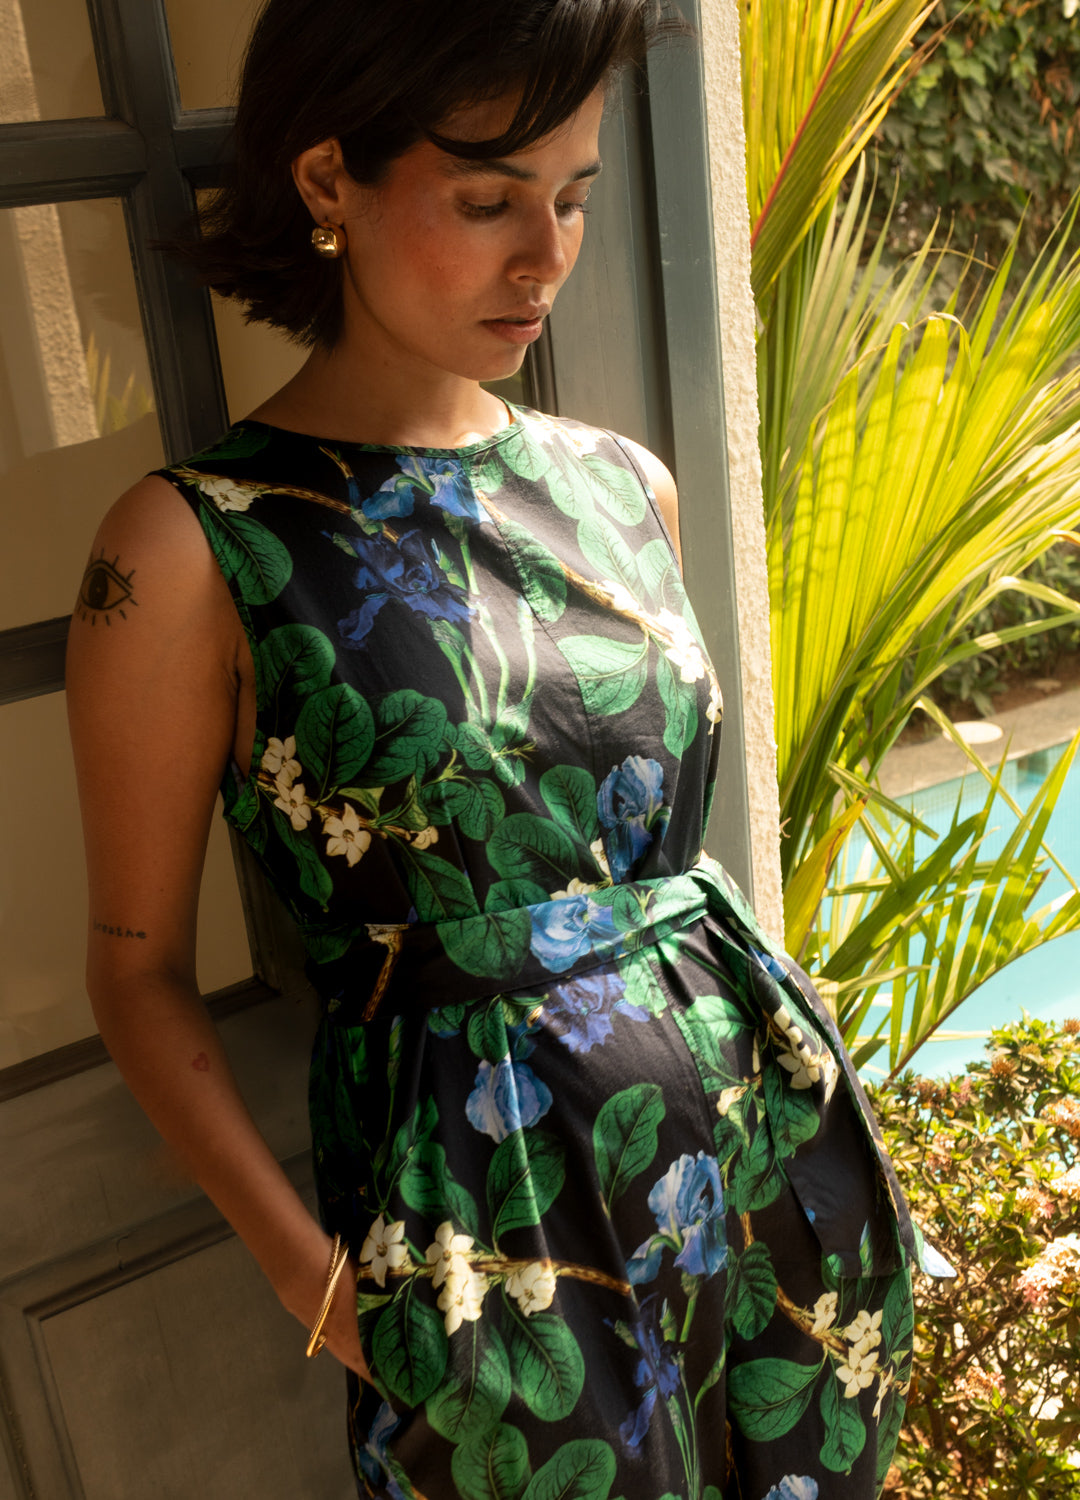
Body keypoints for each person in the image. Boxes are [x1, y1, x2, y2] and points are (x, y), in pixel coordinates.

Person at [66, 1, 930, 1495]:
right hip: (499, 1248)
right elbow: (135, 974)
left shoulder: (626, 487)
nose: (546, 255)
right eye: (487, 200)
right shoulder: (195, 547)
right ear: (328, 181)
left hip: (773, 1188)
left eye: (574, 199)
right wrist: (320, 1290)